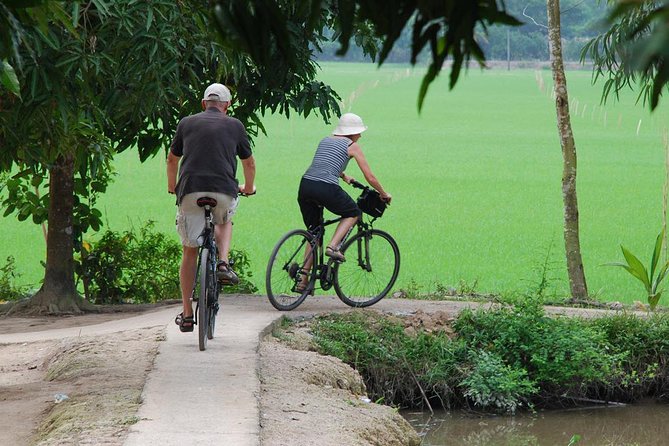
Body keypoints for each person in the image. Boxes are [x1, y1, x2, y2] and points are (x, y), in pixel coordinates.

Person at [167, 82, 256, 332]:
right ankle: (223, 263)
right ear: (227, 106)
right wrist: (248, 188)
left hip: (190, 190)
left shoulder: (186, 122)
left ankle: (186, 313)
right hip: (224, 190)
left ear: (204, 103)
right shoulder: (235, 125)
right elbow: (248, 164)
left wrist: (172, 186)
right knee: (224, 220)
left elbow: (172, 158)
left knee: (189, 250)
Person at [296, 112, 391, 290]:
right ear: (353, 132)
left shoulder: (325, 140)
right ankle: (333, 246)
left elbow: (324, 164)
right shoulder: (352, 146)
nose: (360, 136)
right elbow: (369, 176)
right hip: (326, 187)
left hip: (306, 185)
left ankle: (302, 280)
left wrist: (344, 175)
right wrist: (383, 193)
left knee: (314, 232)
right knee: (353, 212)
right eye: (359, 132)